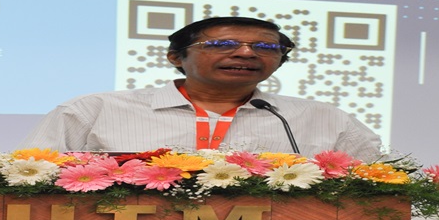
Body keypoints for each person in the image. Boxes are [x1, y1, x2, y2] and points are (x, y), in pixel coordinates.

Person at [19, 17, 381, 158]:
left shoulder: (324, 118)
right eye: (222, 44)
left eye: (265, 47)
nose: (246, 53)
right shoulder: (93, 110)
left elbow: (380, 186)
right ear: (176, 57)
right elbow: (27, 177)